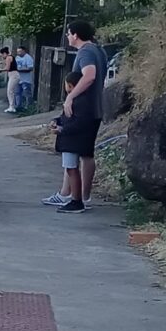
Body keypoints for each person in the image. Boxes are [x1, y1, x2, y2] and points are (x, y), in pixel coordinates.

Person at [43, 21, 110, 208]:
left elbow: (90, 75)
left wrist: (70, 97)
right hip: (95, 108)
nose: (67, 36)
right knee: (85, 153)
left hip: (83, 109)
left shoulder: (85, 52)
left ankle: (73, 196)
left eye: (68, 33)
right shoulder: (99, 50)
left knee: (74, 152)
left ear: (76, 35)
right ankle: (78, 195)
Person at [50, 72, 96, 214]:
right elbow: (65, 117)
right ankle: (76, 199)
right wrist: (56, 121)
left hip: (72, 141)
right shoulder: (80, 100)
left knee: (71, 169)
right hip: (73, 140)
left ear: (70, 86)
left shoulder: (78, 101)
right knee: (71, 169)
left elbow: (77, 123)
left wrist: (61, 129)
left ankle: (76, 200)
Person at [15, 46, 35, 110]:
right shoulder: (17, 57)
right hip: (18, 79)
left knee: (27, 93)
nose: (18, 53)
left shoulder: (28, 58)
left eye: (20, 51)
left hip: (26, 79)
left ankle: (29, 107)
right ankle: (18, 106)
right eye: (18, 52)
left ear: (24, 51)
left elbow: (30, 68)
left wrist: (20, 70)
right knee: (17, 93)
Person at [2, 46, 20, 113]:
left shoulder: (8, 58)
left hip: (13, 75)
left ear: (4, 53)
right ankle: (12, 106)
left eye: (2, 55)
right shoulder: (11, 57)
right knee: (11, 91)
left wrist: (1, 70)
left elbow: (7, 68)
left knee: (10, 91)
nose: (2, 56)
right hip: (14, 75)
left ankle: (11, 107)